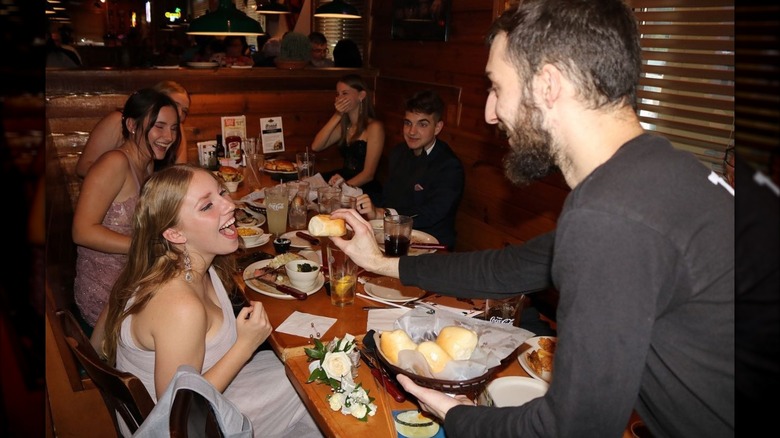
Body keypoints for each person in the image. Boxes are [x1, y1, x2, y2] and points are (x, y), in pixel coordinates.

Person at [329, 0, 735, 436]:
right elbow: (509, 267)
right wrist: (378, 262)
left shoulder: (613, 215)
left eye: (497, 88)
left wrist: (458, 416)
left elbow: (575, 428)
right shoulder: (655, 172)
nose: (489, 112)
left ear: (548, 84)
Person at [94, 165, 321, 437]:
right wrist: (245, 345)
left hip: (207, 389)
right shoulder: (179, 306)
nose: (229, 205)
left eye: (222, 192)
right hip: (187, 423)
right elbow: (179, 415)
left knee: (308, 367)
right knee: (316, 391)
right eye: (207, 206)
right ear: (175, 234)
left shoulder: (195, 266)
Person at [73, 89, 181, 327]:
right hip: (107, 293)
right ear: (132, 125)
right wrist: (146, 247)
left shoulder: (148, 164)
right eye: (159, 126)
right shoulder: (114, 162)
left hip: (134, 277)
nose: (169, 136)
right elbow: (81, 232)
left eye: (174, 128)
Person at [356, 90, 464, 249]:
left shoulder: (449, 166)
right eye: (408, 123)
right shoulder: (399, 152)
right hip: (394, 237)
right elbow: (389, 196)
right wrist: (356, 197)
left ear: (437, 127)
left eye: (422, 124)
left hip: (432, 247)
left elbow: (430, 213)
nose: (412, 131)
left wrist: (382, 213)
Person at [76, 81, 190, 178]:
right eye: (174, 105)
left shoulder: (175, 130)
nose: (179, 113)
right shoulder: (118, 121)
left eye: (184, 110)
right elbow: (83, 167)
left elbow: (179, 174)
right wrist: (122, 180)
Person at [311, 74, 384, 200]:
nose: (339, 98)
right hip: (342, 178)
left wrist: (341, 188)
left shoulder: (374, 127)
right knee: (306, 189)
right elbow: (316, 146)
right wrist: (338, 115)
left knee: (322, 198)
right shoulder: (345, 126)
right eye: (337, 94)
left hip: (362, 186)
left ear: (361, 96)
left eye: (345, 93)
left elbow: (368, 174)